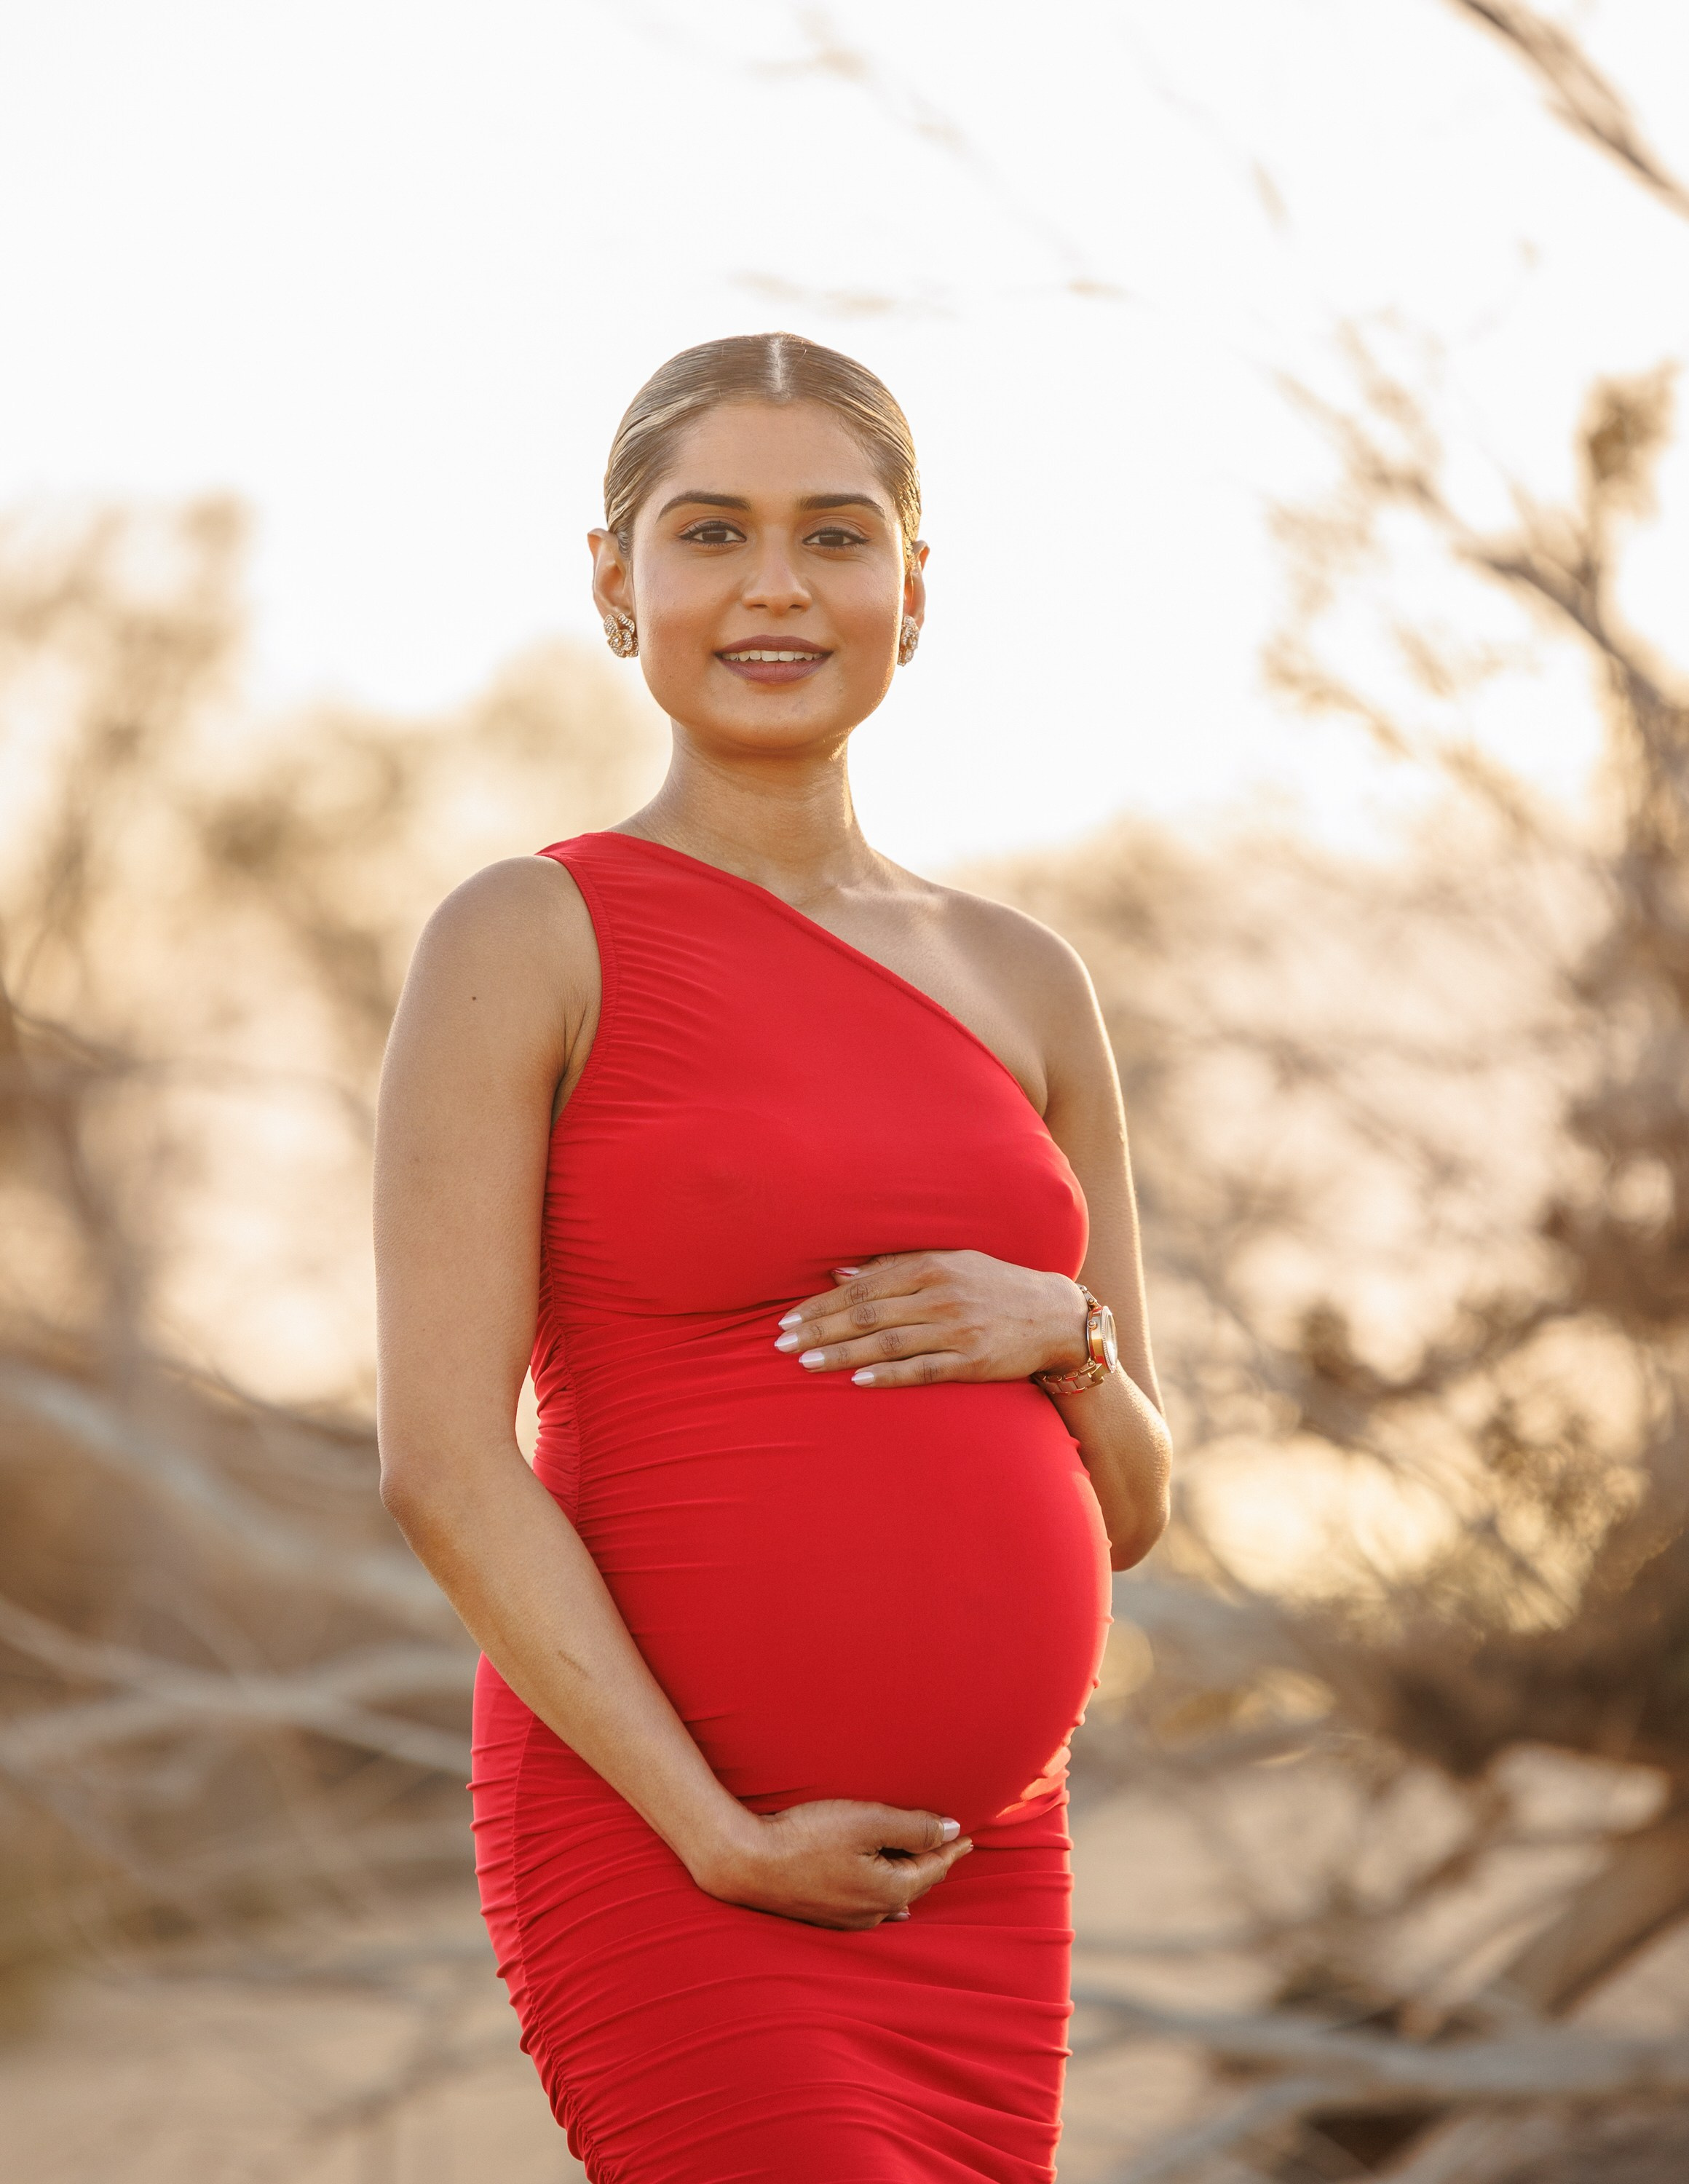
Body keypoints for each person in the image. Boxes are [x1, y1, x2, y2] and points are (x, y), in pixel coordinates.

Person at [373, 331, 1172, 2183]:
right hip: (670, 1848)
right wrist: (715, 1833)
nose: (773, 588)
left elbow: (1135, 1505)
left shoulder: (1029, 977)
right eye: (709, 531)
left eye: (834, 536)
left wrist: (1068, 1338)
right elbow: (440, 1461)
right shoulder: (528, 935)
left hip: (984, 1874)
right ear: (614, 581)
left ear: (911, 585)